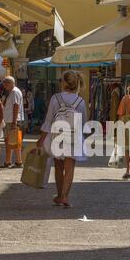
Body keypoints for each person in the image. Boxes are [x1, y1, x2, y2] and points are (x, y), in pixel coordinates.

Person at [37, 70, 87, 208]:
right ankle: (65, 196)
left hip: (57, 135)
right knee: (70, 168)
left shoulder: (55, 98)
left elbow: (48, 121)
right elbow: (83, 123)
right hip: (73, 136)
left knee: (58, 166)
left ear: (64, 82)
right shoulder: (80, 101)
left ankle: (59, 195)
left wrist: (41, 139)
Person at [2, 76, 24, 168]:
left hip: (12, 120)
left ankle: (14, 161)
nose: (4, 86)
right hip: (10, 119)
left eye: (5, 83)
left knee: (12, 141)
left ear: (9, 83)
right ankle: (12, 161)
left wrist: (14, 122)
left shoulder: (14, 92)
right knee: (11, 141)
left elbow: (16, 106)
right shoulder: (13, 91)